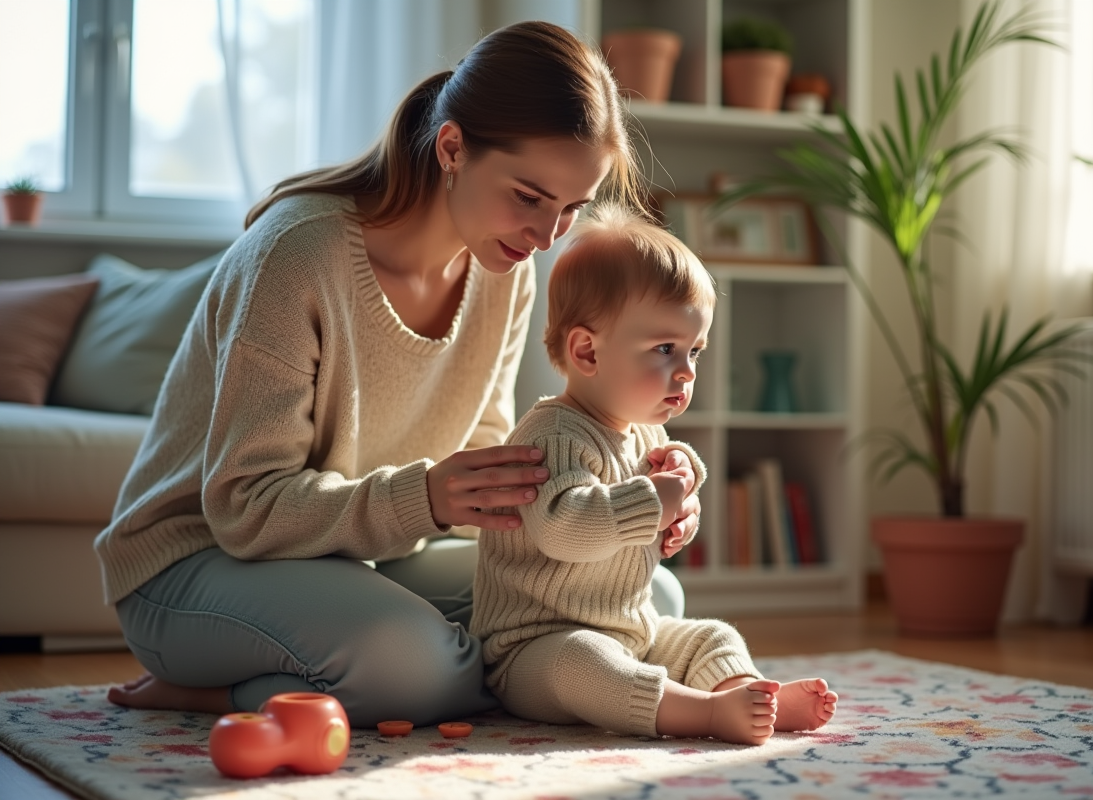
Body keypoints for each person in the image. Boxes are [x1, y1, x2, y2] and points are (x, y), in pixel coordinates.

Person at [97, 20, 698, 729]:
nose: (545, 236)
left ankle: (468, 673)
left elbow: (488, 469)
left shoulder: (504, 270)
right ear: (453, 148)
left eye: (569, 209)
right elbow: (245, 507)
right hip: (197, 563)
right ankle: (207, 695)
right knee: (419, 671)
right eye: (529, 196)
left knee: (645, 600)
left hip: (369, 553)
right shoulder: (297, 256)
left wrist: (618, 514)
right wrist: (429, 498)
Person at [470, 204, 838, 745]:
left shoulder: (646, 432)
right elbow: (565, 528)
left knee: (711, 634)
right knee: (585, 661)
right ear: (587, 351)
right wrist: (651, 503)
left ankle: (752, 694)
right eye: (665, 350)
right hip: (535, 648)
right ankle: (707, 714)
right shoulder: (550, 435)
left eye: (694, 351)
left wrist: (680, 507)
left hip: (630, 629)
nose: (687, 371)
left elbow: (653, 518)